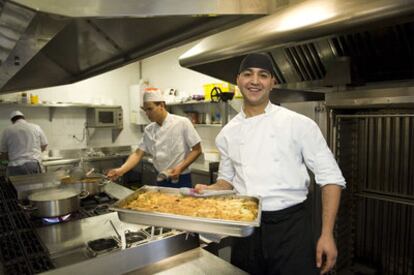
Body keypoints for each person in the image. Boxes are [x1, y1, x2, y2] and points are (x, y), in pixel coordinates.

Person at [195, 53, 346, 275]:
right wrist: (208, 190)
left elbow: (331, 178)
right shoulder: (227, 133)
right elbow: (226, 181)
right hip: (245, 229)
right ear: (238, 80)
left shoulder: (299, 124)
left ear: (272, 82)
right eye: (248, 74)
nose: (255, 81)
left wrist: (327, 234)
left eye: (263, 75)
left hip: (291, 230)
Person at [107, 89, 202, 188]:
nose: (147, 114)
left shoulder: (182, 123)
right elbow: (138, 154)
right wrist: (121, 170)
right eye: (145, 110)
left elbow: (197, 150)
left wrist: (180, 168)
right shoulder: (149, 129)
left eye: (150, 109)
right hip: (161, 178)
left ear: (161, 105)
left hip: (181, 178)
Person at [0, 110, 48, 176]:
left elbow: (3, 153)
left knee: (16, 186)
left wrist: (5, 163)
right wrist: (36, 152)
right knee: (35, 185)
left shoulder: (7, 130)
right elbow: (44, 145)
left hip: (14, 166)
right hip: (33, 164)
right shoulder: (36, 127)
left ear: (12, 121)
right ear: (23, 118)